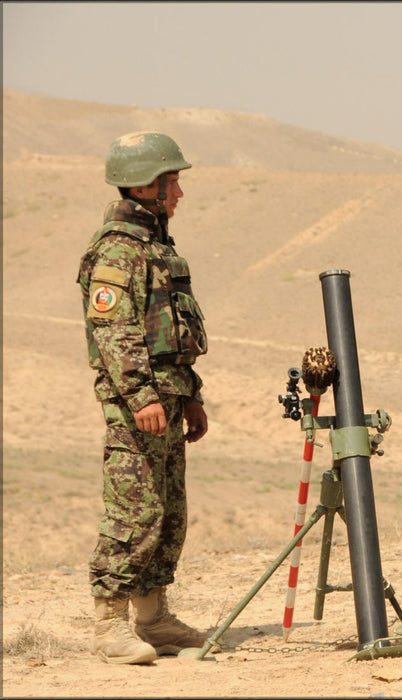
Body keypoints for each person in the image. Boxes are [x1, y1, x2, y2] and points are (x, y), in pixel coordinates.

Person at [78, 131, 210, 664]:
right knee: (134, 512)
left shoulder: (158, 245)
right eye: (171, 181)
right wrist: (138, 395)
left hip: (170, 397)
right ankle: (109, 625)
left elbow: (171, 330)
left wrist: (192, 395)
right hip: (140, 403)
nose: (178, 192)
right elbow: (115, 330)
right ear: (144, 185)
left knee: (169, 511)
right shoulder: (117, 249)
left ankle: (153, 618)